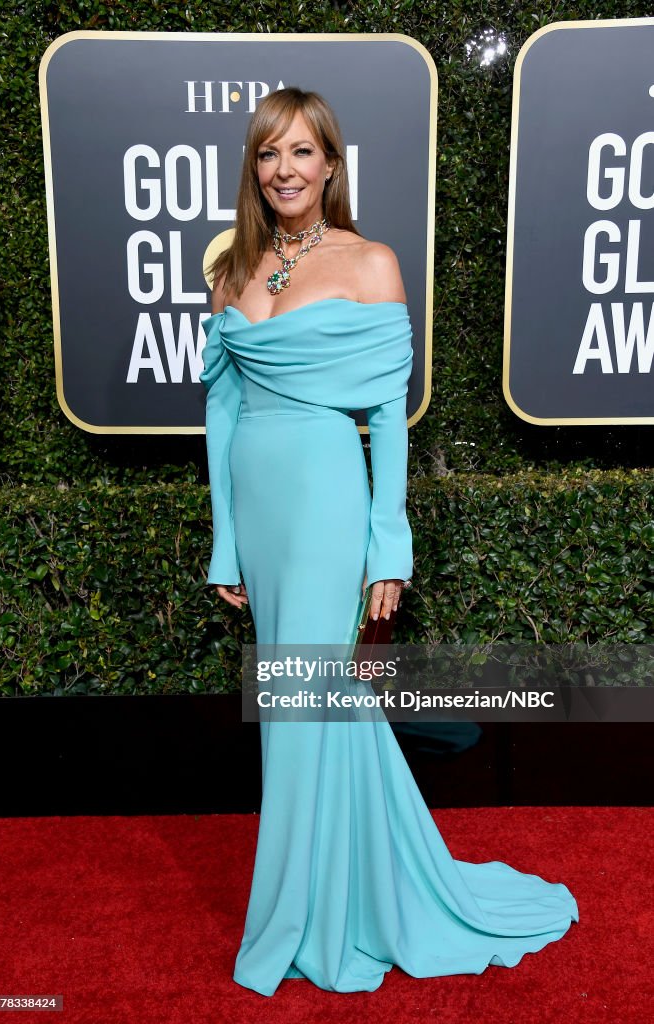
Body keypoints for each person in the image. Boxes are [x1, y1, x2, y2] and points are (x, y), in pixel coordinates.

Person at [199, 86, 578, 998]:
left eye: (300, 152)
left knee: (305, 707)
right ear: (252, 169)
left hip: (329, 499)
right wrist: (223, 543)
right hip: (260, 505)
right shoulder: (231, 271)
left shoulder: (371, 263)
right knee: (319, 714)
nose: (283, 170)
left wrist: (388, 548)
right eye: (267, 154)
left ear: (330, 164)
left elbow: (388, 419)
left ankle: (309, 920)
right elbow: (218, 408)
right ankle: (344, 893)